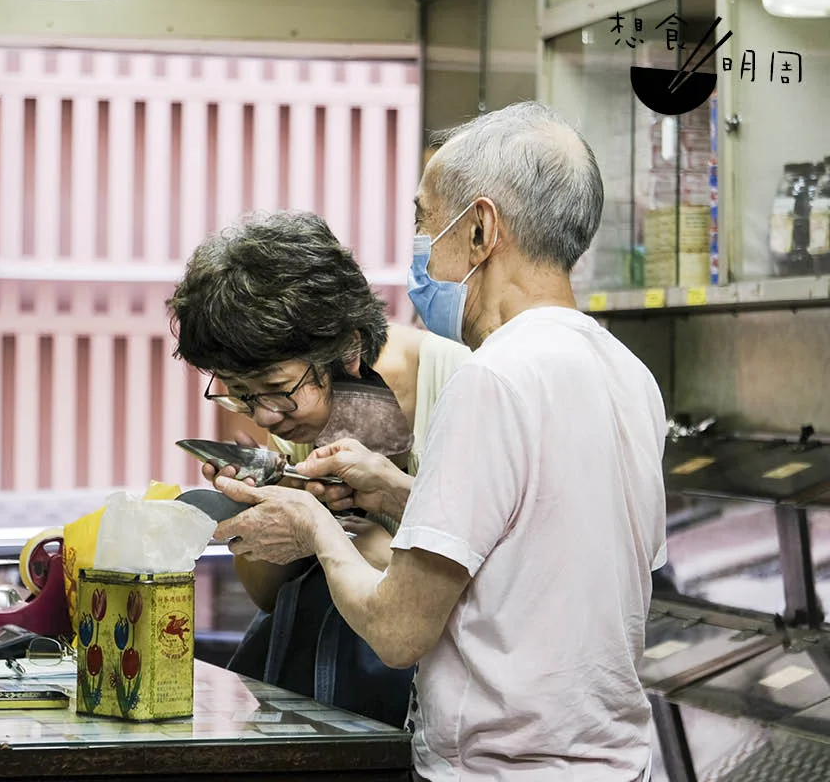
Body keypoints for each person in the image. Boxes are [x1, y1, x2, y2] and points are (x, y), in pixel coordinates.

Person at [210, 101, 667, 781]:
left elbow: (398, 632)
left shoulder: (492, 379)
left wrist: (315, 526)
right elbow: (538, 547)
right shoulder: (629, 375)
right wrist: (397, 491)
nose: (419, 245)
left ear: (481, 228)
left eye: (425, 220)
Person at [166, 208, 470, 725]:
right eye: (240, 394)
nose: (265, 414)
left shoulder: (463, 384)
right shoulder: (296, 414)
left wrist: (356, 541)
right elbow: (269, 597)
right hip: (348, 721)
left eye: (275, 389)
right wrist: (263, 514)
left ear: (348, 348)